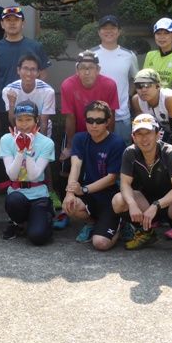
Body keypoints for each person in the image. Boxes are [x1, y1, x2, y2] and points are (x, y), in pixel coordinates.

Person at [111, 114, 172, 257]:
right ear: (133, 137)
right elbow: (125, 184)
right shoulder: (130, 152)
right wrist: (132, 204)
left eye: (148, 133)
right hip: (145, 204)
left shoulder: (170, 152)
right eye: (139, 134)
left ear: (158, 135)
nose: (144, 138)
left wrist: (156, 205)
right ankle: (146, 233)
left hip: (171, 205)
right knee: (118, 200)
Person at [62, 101, 126, 250]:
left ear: (107, 122)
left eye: (99, 121)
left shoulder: (117, 143)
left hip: (109, 198)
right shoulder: (79, 138)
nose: (94, 125)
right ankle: (92, 223)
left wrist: (84, 190)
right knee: (68, 205)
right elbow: (75, 166)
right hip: (89, 196)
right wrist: (70, 193)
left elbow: (111, 179)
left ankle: (121, 223)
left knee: (100, 243)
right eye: (90, 120)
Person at [0, 102, 55, 245]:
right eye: (20, 120)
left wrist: (29, 151)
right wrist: (20, 151)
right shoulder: (6, 139)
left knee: (38, 237)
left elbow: (35, 175)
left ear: (37, 120)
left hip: (39, 195)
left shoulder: (47, 143)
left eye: (28, 119)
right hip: (17, 193)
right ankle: (18, 223)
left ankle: (42, 219)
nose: (24, 125)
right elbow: (12, 176)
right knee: (14, 200)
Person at [0, 6, 50, 127]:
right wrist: (3, 93)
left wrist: (33, 93)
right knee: (9, 136)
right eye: (8, 20)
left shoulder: (36, 47)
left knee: (33, 137)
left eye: (16, 19)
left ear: (23, 23)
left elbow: (43, 74)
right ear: (2, 24)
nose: (12, 23)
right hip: (5, 105)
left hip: (32, 104)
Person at [59, 50, 119, 164]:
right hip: (77, 132)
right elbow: (70, 117)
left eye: (91, 67)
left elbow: (111, 116)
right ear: (77, 70)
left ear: (98, 69)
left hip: (101, 130)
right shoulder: (67, 85)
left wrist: (107, 142)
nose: (87, 72)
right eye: (82, 68)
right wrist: (70, 145)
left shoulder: (109, 85)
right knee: (67, 162)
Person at [91, 15, 139, 142]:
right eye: (105, 28)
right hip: (95, 117)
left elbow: (136, 79)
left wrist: (128, 96)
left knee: (123, 150)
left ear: (119, 31)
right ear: (99, 32)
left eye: (113, 28)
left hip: (122, 116)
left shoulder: (129, 55)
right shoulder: (89, 55)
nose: (109, 31)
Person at [1, 54, 55, 134]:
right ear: (18, 70)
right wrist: (12, 104)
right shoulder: (9, 90)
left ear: (38, 73)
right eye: (25, 68)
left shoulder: (48, 91)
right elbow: (13, 123)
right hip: (19, 130)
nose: (29, 73)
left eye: (33, 69)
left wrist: (41, 141)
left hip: (40, 129)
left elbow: (44, 123)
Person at [143, 17, 172, 98]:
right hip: (150, 99)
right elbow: (145, 81)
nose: (162, 37)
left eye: (166, 33)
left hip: (171, 101)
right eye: (158, 33)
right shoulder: (150, 55)